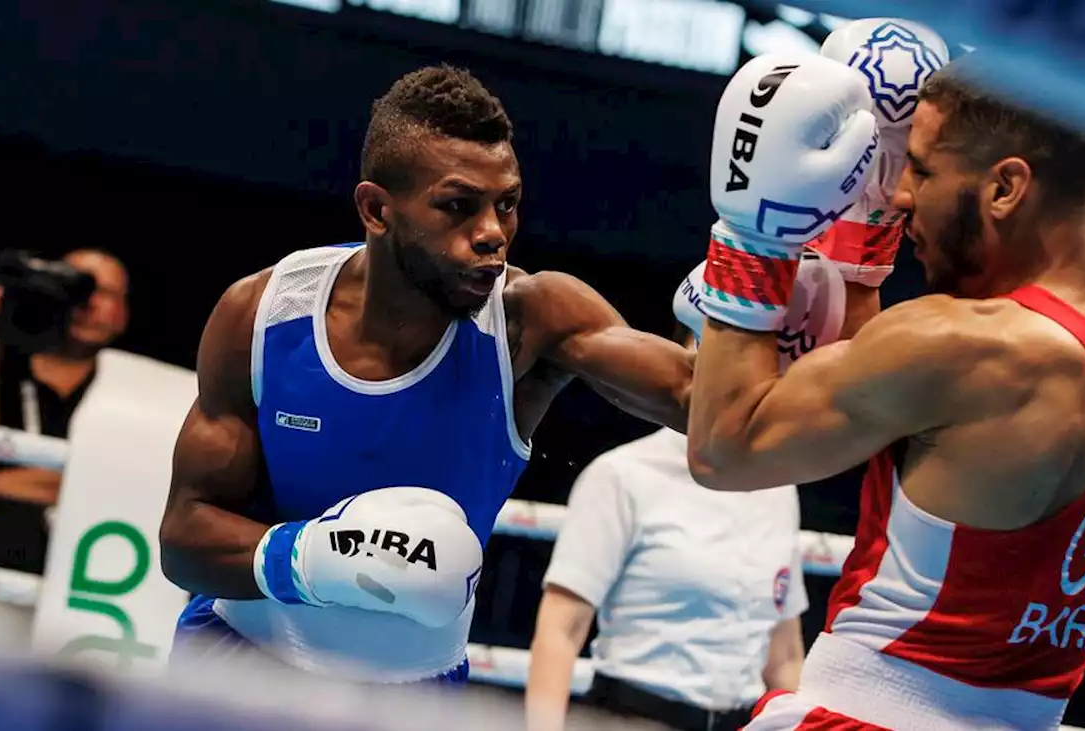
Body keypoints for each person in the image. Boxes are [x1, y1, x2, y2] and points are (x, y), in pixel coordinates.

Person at [158, 64, 703, 685]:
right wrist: (312, 559)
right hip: (238, 666)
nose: (493, 233)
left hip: (412, 698)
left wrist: (755, 276)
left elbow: (702, 408)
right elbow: (183, 538)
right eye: (457, 207)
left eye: (508, 204)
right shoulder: (266, 313)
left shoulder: (530, 321)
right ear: (376, 210)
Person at [681, 48, 1085, 730]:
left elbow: (725, 447)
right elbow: (892, 401)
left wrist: (753, 236)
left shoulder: (972, 345)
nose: (901, 193)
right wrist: (864, 252)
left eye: (924, 169)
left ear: (1005, 188)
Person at [525, 326, 806, 731]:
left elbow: (784, 657)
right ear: (685, 360)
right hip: (633, 716)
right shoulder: (623, 476)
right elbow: (561, 629)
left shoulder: (779, 488)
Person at [0, 248, 130, 573]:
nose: (87, 302)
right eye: (74, 287)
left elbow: (126, 487)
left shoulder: (132, 391)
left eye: (103, 292)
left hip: (86, 581)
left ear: (123, 313)